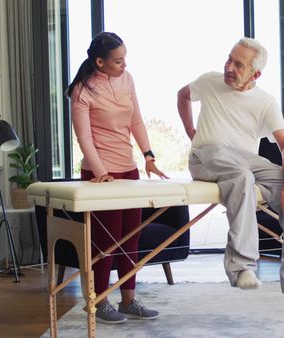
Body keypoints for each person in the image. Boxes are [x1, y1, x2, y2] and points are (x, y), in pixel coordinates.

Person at [177, 37, 284, 296]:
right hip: (206, 155)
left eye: (238, 64)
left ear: (255, 73)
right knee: (242, 176)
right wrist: (191, 130)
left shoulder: (265, 102)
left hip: (245, 159)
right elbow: (183, 95)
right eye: (229, 59)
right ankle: (242, 266)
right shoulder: (210, 81)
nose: (229, 67)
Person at [66, 32, 168, 324]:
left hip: (129, 171)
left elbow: (136, 118)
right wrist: (102, 174)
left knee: (130, 240)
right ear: (99, 62)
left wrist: (148, 156)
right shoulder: (82, 91)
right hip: (99, 175)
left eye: (125, 59)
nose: (124, 65)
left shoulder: (127, 79)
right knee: (106, 242)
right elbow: (84, 136)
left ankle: (129, 301)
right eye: (118, 61)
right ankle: (98, 303)